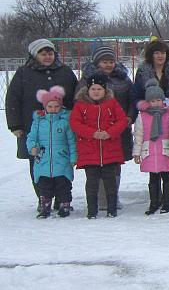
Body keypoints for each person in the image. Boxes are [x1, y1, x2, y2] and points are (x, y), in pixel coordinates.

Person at [5, 38, 77, 203]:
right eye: (43, 54)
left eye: (50, 53)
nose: (47, 57)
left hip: (61, 129)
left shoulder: (64, 71)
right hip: (34, 130)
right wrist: (15, 125)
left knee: (62, 163)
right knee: (37, 163)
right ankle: (43, 198)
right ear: (34, 55)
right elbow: (13, 99)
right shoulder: (24, 73)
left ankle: (62, 199)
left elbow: (75, 96)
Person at [77, 45, 133, 211]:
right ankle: (101, 199)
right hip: (93, 132)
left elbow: (132, 98)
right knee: (96, 164)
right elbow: (79, 103)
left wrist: (130, 116)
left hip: (118, 128)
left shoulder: (123, 78)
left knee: (114, 161)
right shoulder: (87, 79)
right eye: (104, 62)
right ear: (97, 63)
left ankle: (112, 196)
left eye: (111, 61)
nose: (108, 65)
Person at [71, 74, 128, 219]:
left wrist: (109, 133)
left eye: (99, 89)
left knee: (110, 181)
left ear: (105, 90)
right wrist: (92, 133)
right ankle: (92, 210)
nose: (96, 92)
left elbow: (122, 121)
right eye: (93, 89)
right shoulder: (80, 105)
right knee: (92, 182)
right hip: (89, 150)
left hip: (110, 149)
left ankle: (112, 208)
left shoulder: (112, 104)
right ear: (88, 90)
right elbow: (75, 124)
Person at [26, 86, 76, 218]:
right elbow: (31, 137)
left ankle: (64, 204)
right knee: (45, 186)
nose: (53, 109)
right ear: (45, 107)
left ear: (61, 107)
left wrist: (73, 157)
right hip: (43, 160)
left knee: (63, 185)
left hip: (62, 159)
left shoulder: (64, 123)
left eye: (56, 106)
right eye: (50, 106)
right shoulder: (38, 122)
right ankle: (45, 206)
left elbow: (71, 141)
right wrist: (33, 148)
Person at [132, 80, 169, 215]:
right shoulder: (142, 116)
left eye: (159, 100)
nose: (156, 103)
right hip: (150, 152)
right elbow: (139, 135)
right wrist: (136, 153)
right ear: (148, 102)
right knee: (153, 179)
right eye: (153, 101)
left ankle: (167, 202)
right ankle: (154, 202)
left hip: (165, 151)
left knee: (167, 178)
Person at [130, 39, 169, 119]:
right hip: (150, 116)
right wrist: (144, 104)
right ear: (151, 55)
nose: (160, 56)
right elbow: (136, 95)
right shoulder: (143, 72)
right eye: (156, 53)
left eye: (163, 53)